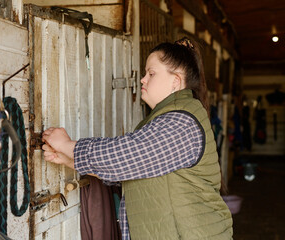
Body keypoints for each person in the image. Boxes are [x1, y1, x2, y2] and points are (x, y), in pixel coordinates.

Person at [42, 37, 233, 239]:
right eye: (145, 73)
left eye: (151, 73)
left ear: (175, 81)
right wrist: (69, 160)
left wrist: (68, 145)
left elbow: (124, 157)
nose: (143, 79)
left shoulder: (181, 123)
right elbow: (131, 171)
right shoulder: (167, 118)